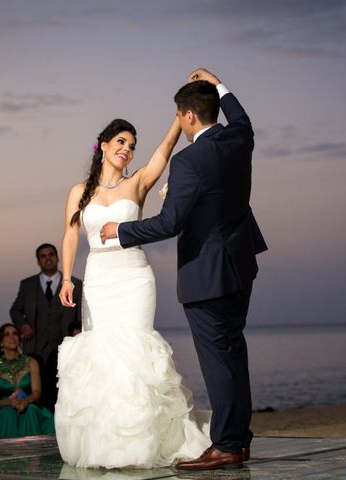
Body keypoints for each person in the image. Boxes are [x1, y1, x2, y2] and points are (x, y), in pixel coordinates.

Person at [100, 68, 267, 470]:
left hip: (207, 275)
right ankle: (238, 440)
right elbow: (242, 118)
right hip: (241, 265)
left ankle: (226, 444)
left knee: (218, 361)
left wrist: (121, 231)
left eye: (179, 115)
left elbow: (169, 223)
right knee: (234, 354)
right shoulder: (238, 139)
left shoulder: (189, 161)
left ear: (188, 116)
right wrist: (219, 82)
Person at [55, 114, 210, 468]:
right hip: (98, 277)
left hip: (134, 277)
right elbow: (69, 235)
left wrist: (177, 118)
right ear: (104, 145)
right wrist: (66, 277)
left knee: (135, 352)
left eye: (132, 145)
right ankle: (106, 444)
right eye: (121, 142)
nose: (127, 149)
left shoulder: (137, 183)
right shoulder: (79, 192)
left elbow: (164, 152)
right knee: (102, 356)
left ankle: (141, 445)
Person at [10, 243, 82, 411]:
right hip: (35, 347)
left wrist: (78, 334)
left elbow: (80, 313)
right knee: (37, 391)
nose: (48, 258)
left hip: (64, 346)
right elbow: (15, 310)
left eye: (51, 254)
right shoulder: (27, 285)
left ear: (57, 258)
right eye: (43, 256)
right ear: (38, 261)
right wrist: (23, 325)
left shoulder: (74, 284)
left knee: (63, 391)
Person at [0, 323, 54, 439]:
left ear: (19, 339)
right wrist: (10, 403)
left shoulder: (31, 363)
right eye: (7, 334)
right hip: (4, 407)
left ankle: (34, 455)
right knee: (7, 413)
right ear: (1, 342)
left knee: (31, 410)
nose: (12, 337)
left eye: (15, 334)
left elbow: (36, 393)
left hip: (29, 403)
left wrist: (26, 401)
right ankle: (10, 455)